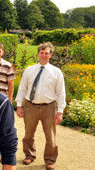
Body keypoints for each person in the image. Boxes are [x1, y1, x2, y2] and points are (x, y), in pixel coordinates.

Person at [15, 42, 66, 170]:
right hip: (31, 106)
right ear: (38, 54)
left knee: (50, 136)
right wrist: (19, 106)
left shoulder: (56, 72)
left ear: (51, 55)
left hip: (49, 107)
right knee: (28, 134)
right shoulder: (29, 70)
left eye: (46, 53)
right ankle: (29, 155)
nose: (44, 55)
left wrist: (60, 111)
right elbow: (22, 88)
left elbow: (61, 92)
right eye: (41, 53)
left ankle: (50, 160)